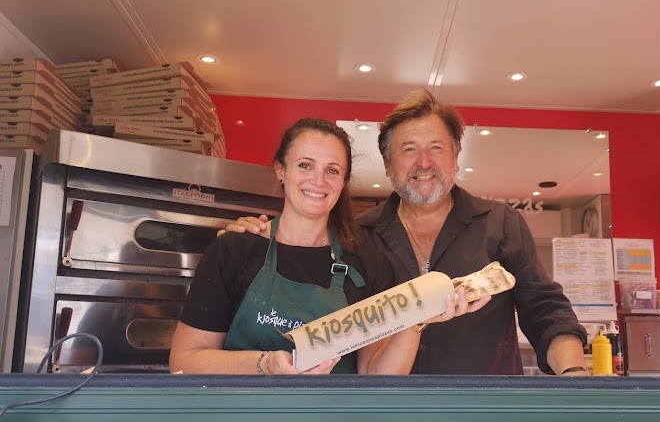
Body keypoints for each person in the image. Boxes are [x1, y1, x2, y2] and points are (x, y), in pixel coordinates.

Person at [222, 91, 588, 376]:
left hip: (482, 411)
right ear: (387, 164)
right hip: (386, 416)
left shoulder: (501, 223)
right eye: (408, 150)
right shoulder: (358, 237)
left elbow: (546, 311)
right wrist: (253, 235)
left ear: (455, 156)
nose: (424, 162)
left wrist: (573, 372)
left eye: (436, 148)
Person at [170, 117, 488, 375]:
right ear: (281, 170)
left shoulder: (366, 261)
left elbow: (376, 377)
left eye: (332, 171)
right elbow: (185, 361)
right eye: (305, 165)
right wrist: (266, 365)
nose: (318, 181)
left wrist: (416, 321)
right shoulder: (234, 252)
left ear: (343, 181)